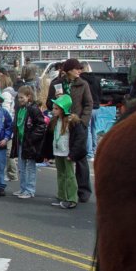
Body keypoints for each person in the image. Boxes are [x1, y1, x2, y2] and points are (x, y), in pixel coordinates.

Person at [47, 58, 93, 202]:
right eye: (76, 69)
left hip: (76, 125)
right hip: (61, 125)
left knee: (79, 157)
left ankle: (83, 190)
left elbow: (88, 104)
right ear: (68, 70)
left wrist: (83, 122)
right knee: (62, 159)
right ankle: (65, 192)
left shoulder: (83, 84)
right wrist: (55, 99)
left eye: (80, 68)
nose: (79, 71)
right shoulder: (56, 84)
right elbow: (49, 103)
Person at [42, 94, 87, 209]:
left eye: (56, 108)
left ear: (63, 109)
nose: (53, 110)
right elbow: (48, 138)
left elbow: (79, 139)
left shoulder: (73, 122)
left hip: (67, 153)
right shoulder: (54, 121)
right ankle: (62, 196)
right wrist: (47, 154)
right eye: (54, 108)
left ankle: (71, 198)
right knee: (61, 175)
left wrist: (73, 154)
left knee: (70, 176)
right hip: (58, 152)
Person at [10, 85, 47, 198]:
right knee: (21, 166)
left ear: (29, 97)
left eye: (22, 97)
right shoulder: (20, 109)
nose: (20, 100)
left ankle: (30, 190)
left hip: (30, 143)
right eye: (18, 98)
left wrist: (31, 138)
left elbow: (41, 125)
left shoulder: (33, 109)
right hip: (21, 141)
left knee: (30, 167)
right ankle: (22, 188)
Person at [0, 73, 18, 183]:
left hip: (7, 128)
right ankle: (11, 173)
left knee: (8, 152)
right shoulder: (10, 92)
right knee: (8, 151)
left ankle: (12, 174)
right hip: (10, 126)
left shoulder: (5, 94)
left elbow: (5, 113)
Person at [80, 61, 102, 161]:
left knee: (87, 130)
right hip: (97, 107)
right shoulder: (97, 79)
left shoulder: (81, 80)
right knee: (94, 129)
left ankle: (89, 153)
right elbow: (100, 92)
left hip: (87, 107)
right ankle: (94, 150)